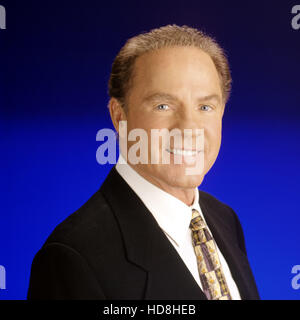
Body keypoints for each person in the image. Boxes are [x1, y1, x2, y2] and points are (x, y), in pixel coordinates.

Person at [27, 24, 260, 300]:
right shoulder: (73, 258)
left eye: (205, 107)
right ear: (119, 117)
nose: (188, 128)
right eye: (163, 106)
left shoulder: (224, 219)